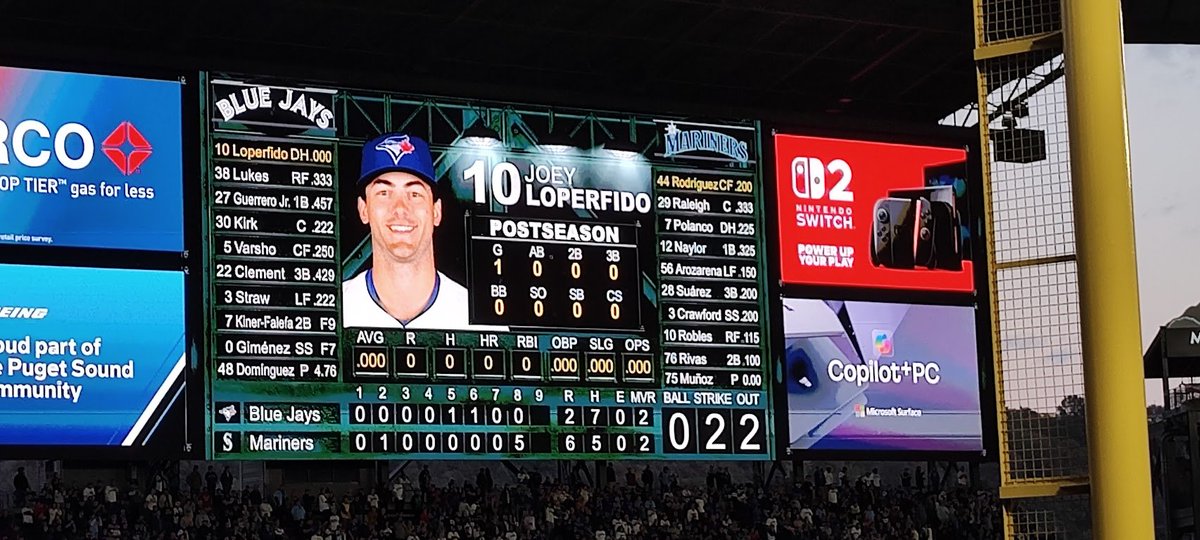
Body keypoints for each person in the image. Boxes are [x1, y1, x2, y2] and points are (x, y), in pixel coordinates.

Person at [342, 132, 504, 331]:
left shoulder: (479, 320)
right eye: (384, 193)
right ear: (363, 209)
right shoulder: (333, 311)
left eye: (414, 194)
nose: (400, 208)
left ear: (436, 211)